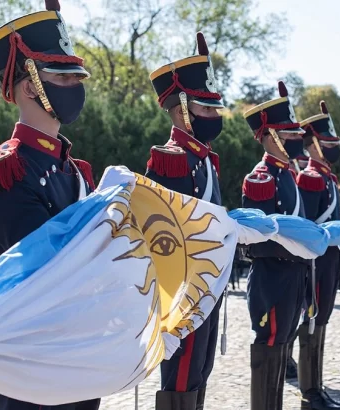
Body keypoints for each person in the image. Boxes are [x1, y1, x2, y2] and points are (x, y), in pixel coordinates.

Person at [0, 1, 98, 409]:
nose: (76, 86)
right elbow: (43, 272)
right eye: (63, 76)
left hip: (81, 352)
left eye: (76, 76)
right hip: (33, 357)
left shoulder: (75, 170)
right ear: (29, 87)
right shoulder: (9, 170)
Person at [145, 32, 224, 410]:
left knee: (200, 372)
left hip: (209, 287)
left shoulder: (207, 161)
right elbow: (158, 233)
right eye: (205, 109)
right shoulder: (169, 159)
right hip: (183, 293)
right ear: (181, 108)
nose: (214, 116)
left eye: (214, 109)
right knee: (180, 378)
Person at [242, 81, 309, 410]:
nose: (299, 139)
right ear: (270, 135)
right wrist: (297, 240)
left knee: (283, 347)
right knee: (269, 346)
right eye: (291, 133)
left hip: (293, 275)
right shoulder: (262, 178)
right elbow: (257, 241)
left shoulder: (288, 175)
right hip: (273, 277)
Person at [293, 100, 340, 410]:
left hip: (330, 258)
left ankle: (317, 387)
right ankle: (308, 393)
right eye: (327, 142)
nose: (333, 148)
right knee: (311, 321)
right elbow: (308, 225)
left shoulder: (326, 176)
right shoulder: (311, 178)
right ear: (312, 144)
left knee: (322, 321)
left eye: (334, 142)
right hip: (316, 261)